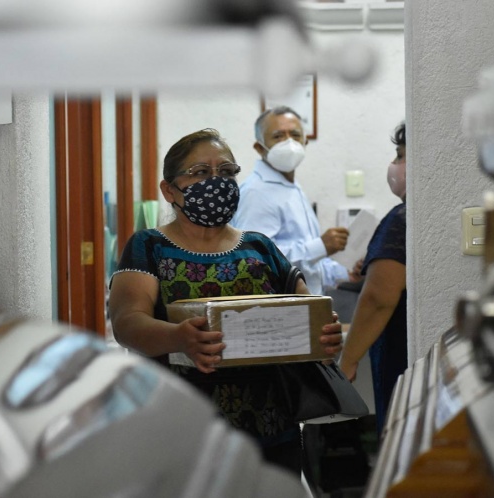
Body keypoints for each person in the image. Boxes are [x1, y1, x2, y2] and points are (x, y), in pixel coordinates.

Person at [108, 128, 343, 477]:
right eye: (201, 172)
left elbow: (308, 317)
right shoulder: (149, 247)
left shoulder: (261, 247)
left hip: (270, 434)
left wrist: (325, 340)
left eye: (227, 171)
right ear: (169, 190)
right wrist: (178, 338)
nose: (216, 181)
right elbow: (127, 322)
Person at [230, 106, 357, 295]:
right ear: (259, 147)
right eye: (278, 136)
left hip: (307, 302)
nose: (289, 142)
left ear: (305, 142)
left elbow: (311, 267)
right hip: (280, 308)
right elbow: (257, 260)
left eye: (295, 135)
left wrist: (346, 273)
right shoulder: (256, 192)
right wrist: (320, 246)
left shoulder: (292, 187)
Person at [339, 122, 408, 436]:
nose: (394, 164)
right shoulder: (423, 214)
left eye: (401, 156)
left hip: (399, 355)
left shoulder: (400, 219)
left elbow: (379, 298)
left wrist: (347, 360)